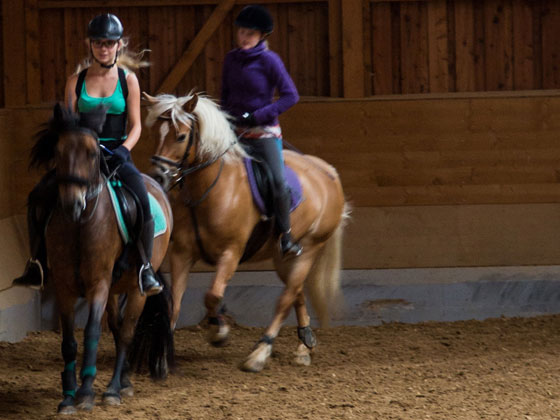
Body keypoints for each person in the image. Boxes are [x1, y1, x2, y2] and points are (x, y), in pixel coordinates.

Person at [13, 13, 162, 296]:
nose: (103, 48)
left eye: (108, 43)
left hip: (117, 154)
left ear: (118, 45)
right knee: (38, 197)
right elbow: (67, 126)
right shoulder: (75, 82)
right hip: (80, 158)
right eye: (98, 43)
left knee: (142, 201)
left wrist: (124, 150)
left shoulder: (128, 80)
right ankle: (36, 264)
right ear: (89, 44)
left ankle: (145, 269)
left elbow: (137, 125)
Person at [221, 5, 302, 257]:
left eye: (250, 34)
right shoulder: (230, 60)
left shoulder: (270, 61)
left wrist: (258, 115)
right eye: (241, 32)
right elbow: (225, 96)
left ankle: (286, 237)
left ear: (261, 36)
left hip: (263, 133)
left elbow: (291, 96)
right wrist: (225, 119)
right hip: (235, 133)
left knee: (278, 183)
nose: (244, 38)